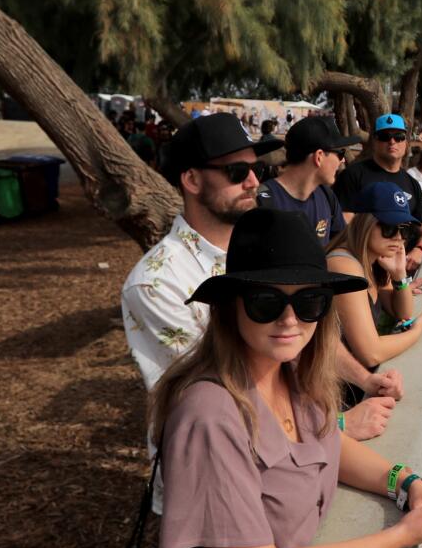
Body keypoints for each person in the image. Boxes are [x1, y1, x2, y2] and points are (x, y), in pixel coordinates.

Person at [150, 208, 422, 548]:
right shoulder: (211, 416)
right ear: (230, 306)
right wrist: (400, 535)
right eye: (266, 302)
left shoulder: (290, 370)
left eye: (309, 300)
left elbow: (328, 445)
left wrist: (406, 483)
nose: (290, 319)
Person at [122, 113, 400, 473]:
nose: (254, 182)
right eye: (237, 172)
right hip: (219, 471)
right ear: (191, 179)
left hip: (293, 448)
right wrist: (339, 425)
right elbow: (223, 389)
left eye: (256, 169)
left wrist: (365, 379)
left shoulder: (260, 243)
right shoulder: (158, 283)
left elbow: (299, 326)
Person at [327, 183, 422, 380]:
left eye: (404, 229)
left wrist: (399, 275)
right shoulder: (343, 265)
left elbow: (402, 312)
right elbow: (370, 353)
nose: (399, 238)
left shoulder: (373, 259)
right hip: (329, 388)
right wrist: (416, 332)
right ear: (365, 224)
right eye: (389, 228)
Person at [335, 114, 422, 275]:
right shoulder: (353, 174)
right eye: (384, 136)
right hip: (363, 267)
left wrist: (419, 250)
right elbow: (346, 221)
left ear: (406, 142)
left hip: (399, 270)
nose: (392, 141)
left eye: (398, 137)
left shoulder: (412, 183)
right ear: (374, 141)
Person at [256, 116, 351, 246]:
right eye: (340, 153)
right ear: (319, 157)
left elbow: (341, 246)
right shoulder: (261, 201)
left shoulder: (327, 196)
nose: (343, 160)